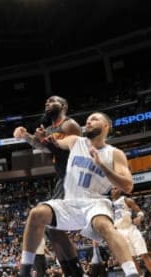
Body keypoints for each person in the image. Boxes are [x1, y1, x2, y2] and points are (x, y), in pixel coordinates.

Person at [18, 112, 140, 277]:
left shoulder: (115, 153)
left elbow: (127, 186)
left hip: (95, 202)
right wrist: (35, 137)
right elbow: (53, 144)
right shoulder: (76, 141)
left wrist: (102, 165)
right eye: (88, 120)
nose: (89, 122)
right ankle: (24, 272)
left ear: (106, 126)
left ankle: (132, 273)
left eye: (94, 119)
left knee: (104, 226)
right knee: (36, 213)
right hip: (70, 202)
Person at [13, 96, 84, 277]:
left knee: (50, 222)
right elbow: (45, 148)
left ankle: (75, 272)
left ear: (64, 106)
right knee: (52, 227)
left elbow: (77, 149)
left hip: (73, 176)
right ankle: (73, 272)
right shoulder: (50, 128)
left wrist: (48, 141)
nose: (47, 103)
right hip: (61, 178)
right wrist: (26, 136)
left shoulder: (69, 125)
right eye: (46, 101)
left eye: (52, 101)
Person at [111, 187, 151, 276]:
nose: (114, 191)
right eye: (112, 189)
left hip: (130, 229)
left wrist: (139, 217)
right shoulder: (109, 204)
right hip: (120, 232)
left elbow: (140, 212)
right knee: (131, 258)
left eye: (116, 189)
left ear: (120, 190)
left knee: (144, 254)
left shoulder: (126, 200)